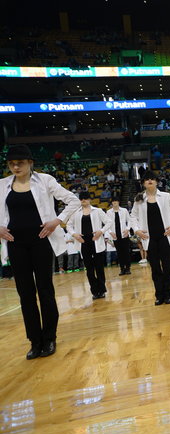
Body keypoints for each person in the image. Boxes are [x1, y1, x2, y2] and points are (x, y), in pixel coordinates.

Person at [0, 145, 80, 359]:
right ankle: (35, 341)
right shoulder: (2, 185)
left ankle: (49, 337)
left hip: (41, 242)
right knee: (25, 294)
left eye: (20, 163)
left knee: (45, 290)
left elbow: (73, 200)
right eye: (11, 164)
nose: (15, 167)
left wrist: (57, 221)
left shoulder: (45, 180)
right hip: (15, 244)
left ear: (30, 162)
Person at [130, 171, 170, 305]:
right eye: (147, 179)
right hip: (149, 238)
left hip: (165, 236)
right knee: (155, 268)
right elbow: (133, 217)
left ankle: (168, 294)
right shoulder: (139, 199)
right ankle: (159, 295)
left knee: (167, 267)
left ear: (156, 182)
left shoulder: (165, 196)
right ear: (143, 183)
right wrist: (137, 230)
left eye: (152, 179)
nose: (150, 181)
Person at [67, 192, 111, 300]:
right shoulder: (75, 212)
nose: (83, 200)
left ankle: (102, 290)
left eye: (85, 198)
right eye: (81, 198)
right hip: (83, 242)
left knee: (99, 267)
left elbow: (109, 222)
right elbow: (68, 225)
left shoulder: (98, 211)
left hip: (96, 240)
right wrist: (74, 234)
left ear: (90, 199)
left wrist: (101, 231)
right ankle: (94, 291)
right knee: (89, 269)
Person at [106, 196, 132, 275]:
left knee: (126, 252)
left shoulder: (124, 210)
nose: (114, 202)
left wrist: (127, 229)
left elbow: (129, 220)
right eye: (113, 201)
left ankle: (128, 268)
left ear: (118, 202)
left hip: (124, 234)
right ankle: (122, 269)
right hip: (115, 236)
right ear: (112, 203)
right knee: (119, 253)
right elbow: (107, 224)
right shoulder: (108, 212)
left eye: (116, 201)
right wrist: (110, 232)